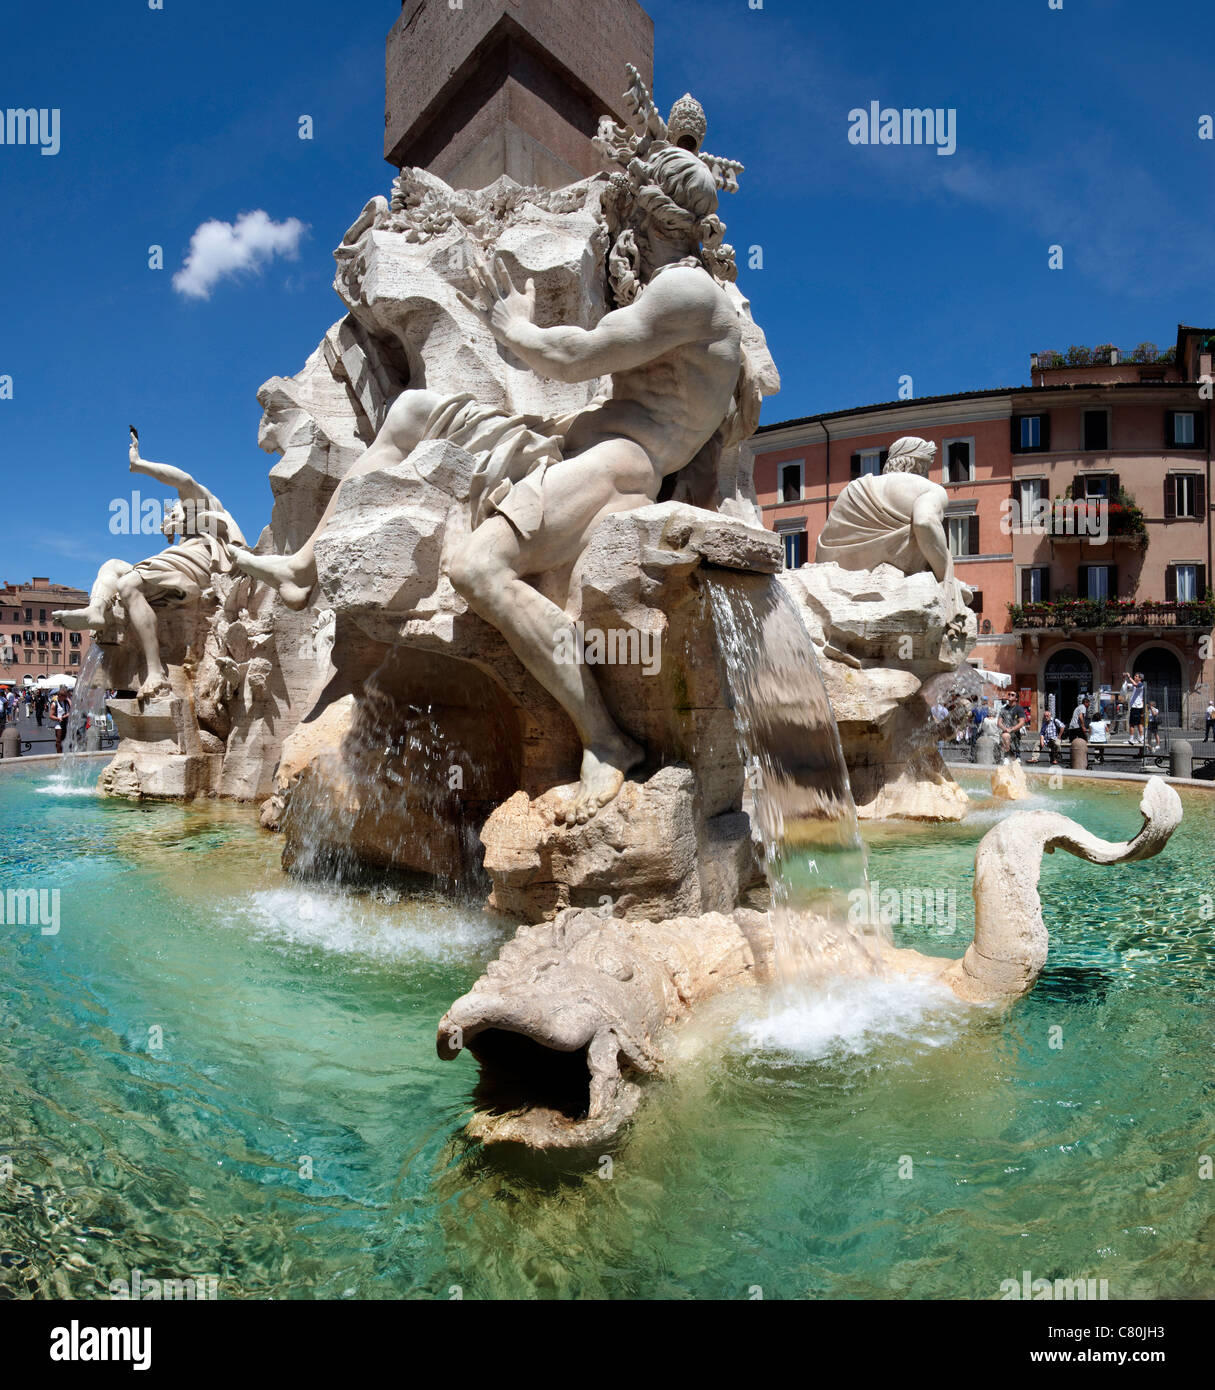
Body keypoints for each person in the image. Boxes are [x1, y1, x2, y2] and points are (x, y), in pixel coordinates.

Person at [1123, 672, 1146, 745]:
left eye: (1136, 676)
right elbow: (1127, 686)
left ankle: (1132, 739)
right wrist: (1125, 678)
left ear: (1140, 678)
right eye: (1134, 676)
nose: (1135, 677)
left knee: (1132, 724)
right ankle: (1141, 738)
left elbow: (1136, 685)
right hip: (1136, 707)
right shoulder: (1135, 685)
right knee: (1139, 723)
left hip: (1136, 707)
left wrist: (1129, 677)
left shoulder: (1140, 685)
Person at [48, 686, 71, 755]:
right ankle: (59, 755)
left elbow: (72, 709)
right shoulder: (54, 704)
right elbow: (50, 716)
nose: (66, 697)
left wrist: (69, 700)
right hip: (59, 724)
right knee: (59, 741)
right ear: (60, 696)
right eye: (65, 696)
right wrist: (58, 718)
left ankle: (68, 754)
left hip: (66, 723)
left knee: (69, 740)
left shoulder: (66, 702)